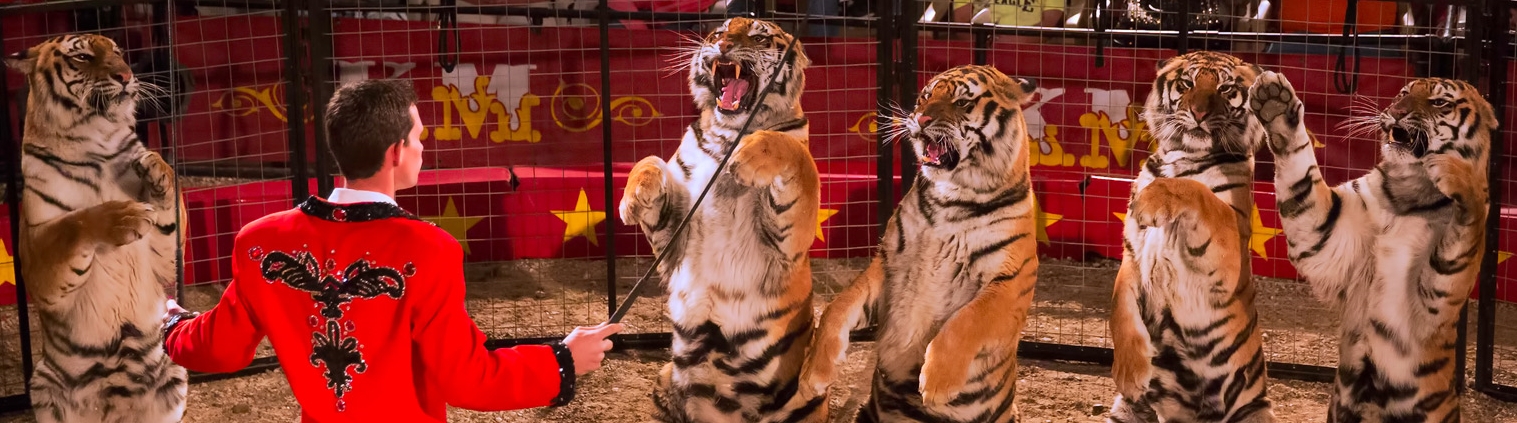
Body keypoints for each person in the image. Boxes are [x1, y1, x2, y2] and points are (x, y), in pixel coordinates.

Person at [161, 79, 623, 422]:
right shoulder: (429, 249)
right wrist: (562, 361)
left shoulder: (261, 241)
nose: (422, 148)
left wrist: (169, 322)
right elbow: (467, 379)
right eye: (419, 137)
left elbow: (218, 350)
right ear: (396, 151)